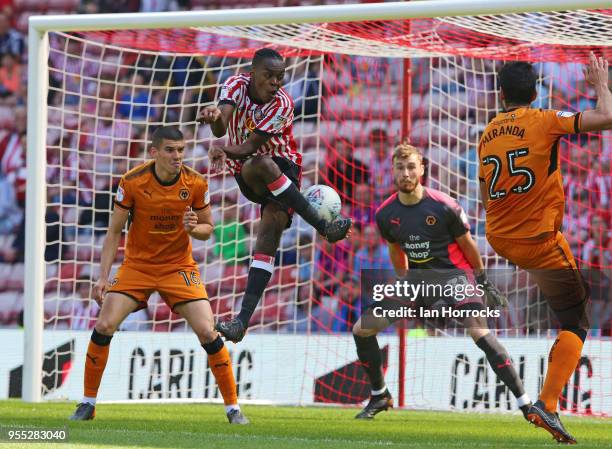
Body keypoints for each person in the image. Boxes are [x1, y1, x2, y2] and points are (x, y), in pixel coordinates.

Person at [69, 126, 248, 424]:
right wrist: (103, 277)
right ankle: (87, 403)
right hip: (137, 266)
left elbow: (207, 230)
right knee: (104, 323)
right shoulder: (132, 182)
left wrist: (194, 228)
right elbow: (114, 231)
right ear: (154, 152)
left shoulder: (196, 183)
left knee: (207, 330)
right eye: (170, 150)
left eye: (181, 150)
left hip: (178, 267)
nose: (177, 156)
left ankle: (233, 408)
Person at [478, 52, 612, 444]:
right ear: (536, 91)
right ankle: (547, 404)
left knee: (558, 296)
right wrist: (600, 84)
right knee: (577, 320)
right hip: (537, 241)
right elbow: (606, 117)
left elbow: (485, 191)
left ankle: (547, 397)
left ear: (500, 93)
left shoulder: (487, 132)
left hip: (500, 237)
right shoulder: (545, 119)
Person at [352, 143, 530, 420]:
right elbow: (396, 251)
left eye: (411, 167)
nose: (406, 173)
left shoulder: (445, 205)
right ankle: (380, 395)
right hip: (418, 281)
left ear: (422, 169)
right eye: (400, 168)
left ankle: (526, 403)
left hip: (455, 277)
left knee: (478, 333)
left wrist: (482, 281)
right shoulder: (385, 214)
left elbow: (469, 247)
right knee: (361, 329)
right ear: (392, 172)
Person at [199, 48, 351, 343]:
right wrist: (214, 116)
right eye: (269, 76)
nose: (275, 82)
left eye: (280, 76)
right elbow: (222, 125)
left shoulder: (283, 104)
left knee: (267, 238)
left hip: (285, 168)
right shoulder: (234, 85)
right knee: (260, 165)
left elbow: (247, 146)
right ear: (253, 73)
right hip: (247, 172)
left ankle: (241, 323)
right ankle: (324, 228)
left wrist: (221, 148)